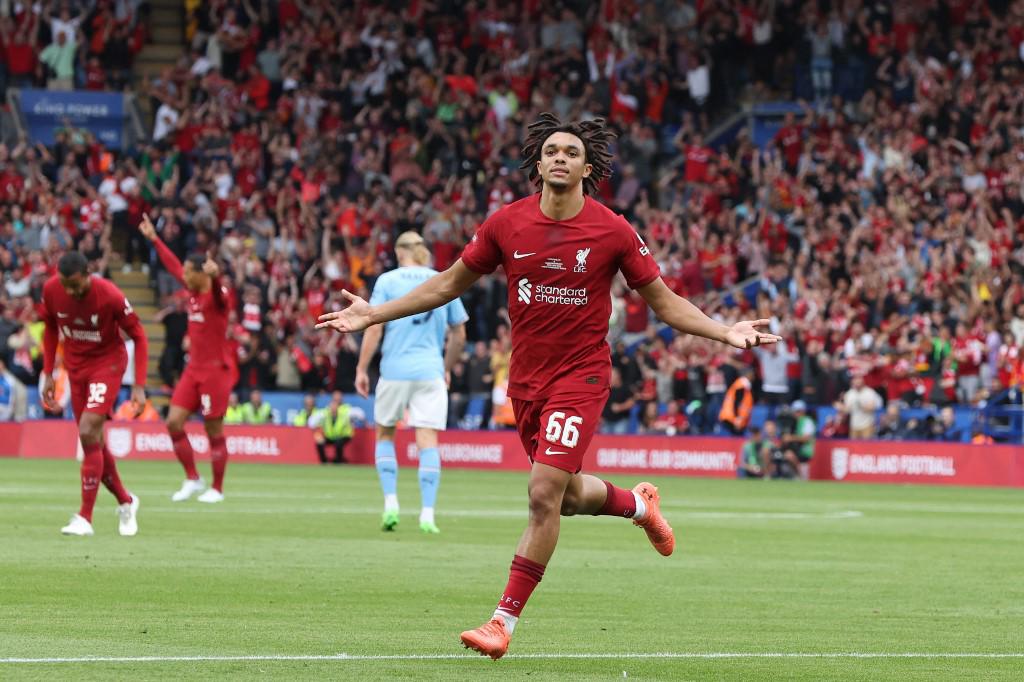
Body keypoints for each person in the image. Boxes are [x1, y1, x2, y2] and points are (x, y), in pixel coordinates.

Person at [316, 112, 781, 659]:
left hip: (581, 377)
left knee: (542, 495)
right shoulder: (506, 224)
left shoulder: (612, 230)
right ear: (538, 165)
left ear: (587, 168)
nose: (561, 158)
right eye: (552, 151)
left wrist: (724, 330)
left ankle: (501, 623)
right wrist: (375, 314)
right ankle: (639, 505)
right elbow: (446, 285)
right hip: (526, 382)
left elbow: (664, 302)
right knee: (567, 496)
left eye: (571, 152)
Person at [355, 231, 468, 533]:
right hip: (430, 371)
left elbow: (373, 326)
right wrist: (446, 367)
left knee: (385, 434)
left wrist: (362, 369)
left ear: (398, 252)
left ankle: (391, 503)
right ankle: (427, 514)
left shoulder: (388, 281)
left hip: (394, 370)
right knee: (427, 440)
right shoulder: (443, 278)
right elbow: (459, 335)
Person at [41, 252, 148, 536]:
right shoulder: (51, 290)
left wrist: (138, 385)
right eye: (66, 285)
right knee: (94, 441)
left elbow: (139, 335)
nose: (70, 292)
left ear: (88, 275)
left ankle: (84, 517)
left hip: (107, 364)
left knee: (88, 431)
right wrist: (49, 373)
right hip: (76, 368)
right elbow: (50, 328)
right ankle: (126, 501)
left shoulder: (110, 295)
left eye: (76, 285)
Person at [138, 215, 236, 505]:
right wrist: (154, 239)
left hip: (215, 372)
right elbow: (172, 265)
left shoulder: (217, 295)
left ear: (202, 274)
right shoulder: (192, 293)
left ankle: (217, 488)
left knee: (213, 429)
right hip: (193, 370)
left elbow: (220, 296)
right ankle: (193, 478)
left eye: (189, 272)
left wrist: (217, 277)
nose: (184, 275)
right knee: (173, 422)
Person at [779, 400, 816, 480]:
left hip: (804, 449)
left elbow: (806, 438)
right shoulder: (794, 422)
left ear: (803, 411)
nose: (795, 413)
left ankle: (801, 476)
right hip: (796, 448)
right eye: (795, 411)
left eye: (797, 411)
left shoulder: (807, 421)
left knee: (789, 455)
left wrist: (790, 438)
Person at [840, 373, 881, 439]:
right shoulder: (849, 393)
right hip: (854, 425)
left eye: (859, 381)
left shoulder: (869, 392)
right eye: (855, 381)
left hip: (867, 424)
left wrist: (861, 405)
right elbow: (847, 410)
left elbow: (872, 408)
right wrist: (840, 407)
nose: (857, 383)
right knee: (853, 444)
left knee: (866, 444)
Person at [318, 392, 354, 464]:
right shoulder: (325, 413)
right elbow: (314, 422)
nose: (333, 408)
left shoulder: (346, 411)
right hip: (330, 436)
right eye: (332, 406)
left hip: (344, 436)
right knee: (319, 442)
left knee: (338, 442)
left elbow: (359, 414)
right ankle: (324, 462)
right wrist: (319, 435)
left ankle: (338, 461)